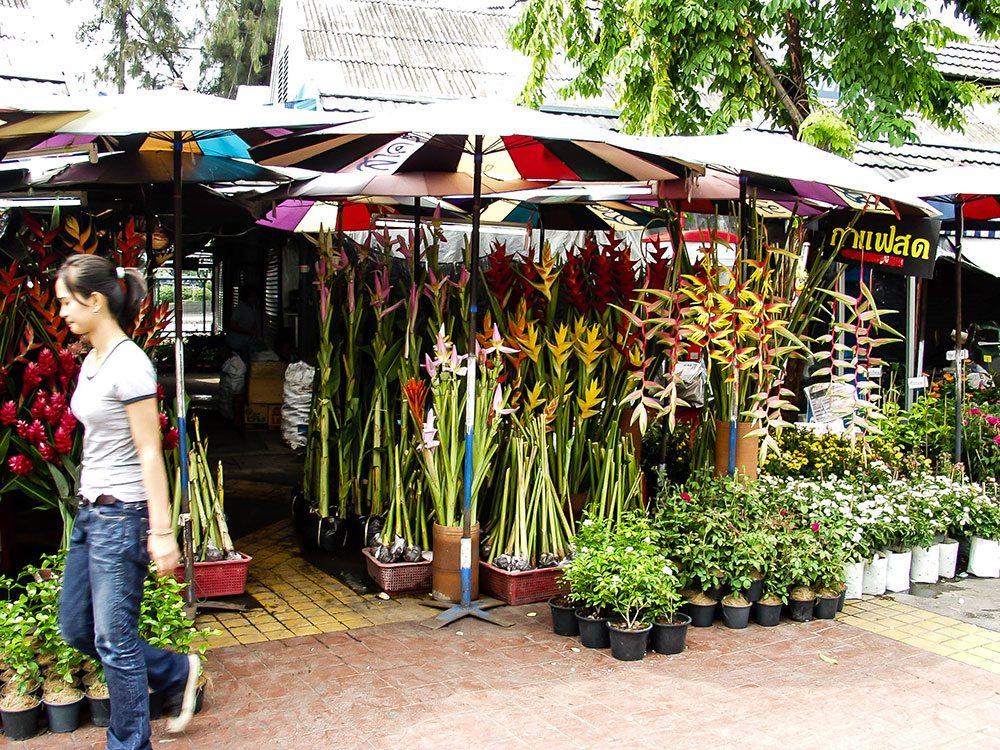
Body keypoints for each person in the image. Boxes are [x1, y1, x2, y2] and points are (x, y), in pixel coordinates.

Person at [55, 254, 201, 750]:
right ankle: (175, 671)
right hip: (91, 513)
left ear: (95, 300)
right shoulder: (92, 360)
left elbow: (150, 450)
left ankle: (129, 743)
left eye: (67, 302)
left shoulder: (130, 364)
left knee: (115, 642)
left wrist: (161, 532)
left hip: (122, 515)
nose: (62, 312)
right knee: (76, 627)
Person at [225, 283, 266, 361]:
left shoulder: (253, 308)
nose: (254, 298)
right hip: (236, 343)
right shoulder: (240, 308)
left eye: (255, 296)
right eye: (252, 296)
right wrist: (249, 332)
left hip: (246, 343)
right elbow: (233, 325)